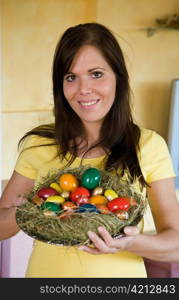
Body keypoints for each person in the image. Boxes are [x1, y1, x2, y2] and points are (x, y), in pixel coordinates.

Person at [0, 22, 179, 278]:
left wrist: (130, 242)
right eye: (71, 77)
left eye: (96, 74)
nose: (83, 89)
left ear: (119, 76)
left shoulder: (147, 146)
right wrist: (26, 213)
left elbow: (176, 245)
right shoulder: (38, 145)